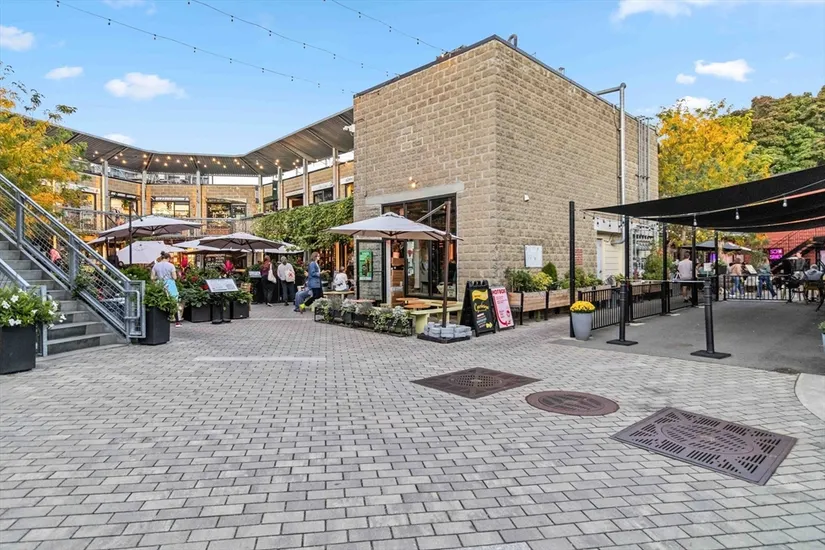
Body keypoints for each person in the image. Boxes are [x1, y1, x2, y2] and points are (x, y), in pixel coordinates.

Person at [151, 251, 182, 326]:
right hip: (170, 284)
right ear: (168, 258)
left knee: (161, 301)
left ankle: (161, 320)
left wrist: (158, 277)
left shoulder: (156, 266)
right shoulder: (171, 265)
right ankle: (177, 322)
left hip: (159, 284)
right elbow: (174, 277)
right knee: (174, 302)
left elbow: (152, 278)